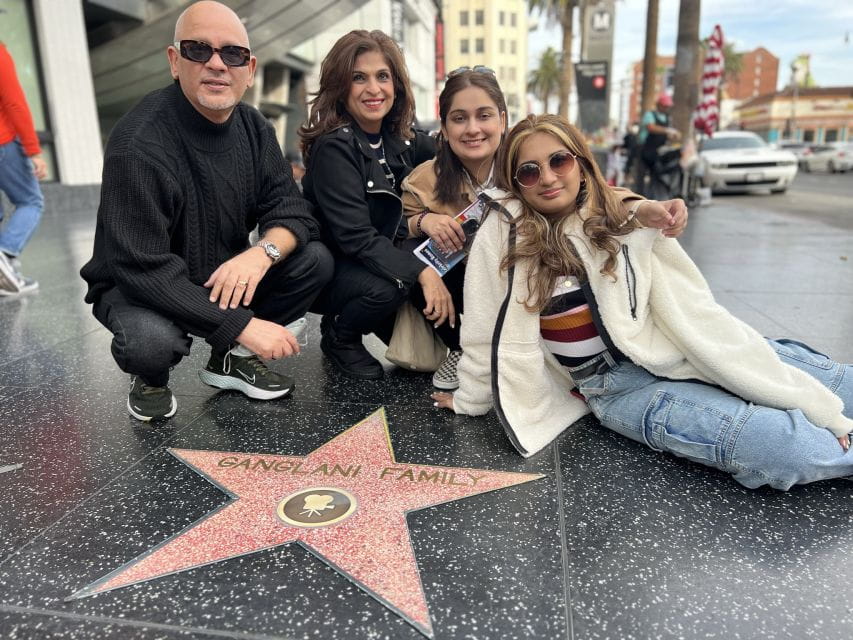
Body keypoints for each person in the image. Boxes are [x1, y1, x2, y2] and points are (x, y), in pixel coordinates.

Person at [433, 114, 853, 491]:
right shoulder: (503, 235)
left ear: (580, 161)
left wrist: (646, 209)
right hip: (617, 388)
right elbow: (483, 326)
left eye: (559, 160)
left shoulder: (615, 215)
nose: (547, 177)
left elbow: (617, 203)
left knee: (840, 384)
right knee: (786, 447)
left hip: (679, 345)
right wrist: (471, 398)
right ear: (515, 183)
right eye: (529, 171)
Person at [80, 1, 333, 421]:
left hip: (217, 274)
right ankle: (151, 377)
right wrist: (245, 326)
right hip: (140, 284)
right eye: (199, 50)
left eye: (232, 54)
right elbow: (143, 269)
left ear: (249, 70)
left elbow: (294, 211)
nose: (217, 64)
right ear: (175, 61)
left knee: (313, 260)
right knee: (150, 343)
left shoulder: (254, 128)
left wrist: (260, 254)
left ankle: (230, 359)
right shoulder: (138, 143)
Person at [401, 68, 688, 390]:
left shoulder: (524, 162)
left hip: (527, 276)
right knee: (416, 258)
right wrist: (422, 222)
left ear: (502, 119)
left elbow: (585, 190)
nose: (473, 129)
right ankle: (458, 347)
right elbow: (396, 227)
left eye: (484, 116)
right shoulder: (426, 178)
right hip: (465, 285)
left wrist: (641, 207)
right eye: (459, 118)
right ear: (444, 126)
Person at [299, 30, 441, 381]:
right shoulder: (334, 147)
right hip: (335, 269)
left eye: (383, 76)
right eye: (358, 78)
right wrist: (422, 273)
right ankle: (339, 336)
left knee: (428, 354)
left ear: (396, 84)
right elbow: (356, 238)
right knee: (394, 284)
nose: (374, 89)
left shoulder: (402, 140)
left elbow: (455, 154)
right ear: (340, 86)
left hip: (375, 260)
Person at [0, 41, 47, 295]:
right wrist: (34, 151)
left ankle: (5, 274)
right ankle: (4, 255)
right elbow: (14, 104)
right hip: (3, 142)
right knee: (31, 201)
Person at [639, 93, 681, 198]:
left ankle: (656, 196)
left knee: (657, 175)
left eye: (667, 106)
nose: (666, 108)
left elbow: (667, 136)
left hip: (659, 152)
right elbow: (651, 128)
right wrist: (667, 130)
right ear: (659, 105)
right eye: (664, 106)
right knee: (642, 177)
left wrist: (674, 135)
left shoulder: (667, 118)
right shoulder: (650, 115)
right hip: (646, 151)